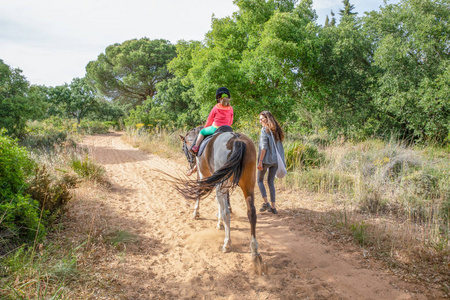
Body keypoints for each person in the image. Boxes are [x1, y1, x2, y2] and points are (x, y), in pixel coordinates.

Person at [190, 87, 234, 155]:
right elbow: (231, 121)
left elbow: (210, 120)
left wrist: (206, 127)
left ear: (218, 98)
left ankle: (196, 147)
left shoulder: (216, 107)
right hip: (228, 129)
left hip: (216, 128)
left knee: (202, 132)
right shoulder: (230, 108)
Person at [257, 111, 285, 214]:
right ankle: (273, 207)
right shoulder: (277, 130)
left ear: (266, 119)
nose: (260, 121)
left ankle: (266, 203)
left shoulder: (265, 130)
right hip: (276, 160)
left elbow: (264, 147)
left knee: (259, 180)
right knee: (270, 182)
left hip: (266, 160)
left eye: (261, 119)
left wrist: (260, 161)